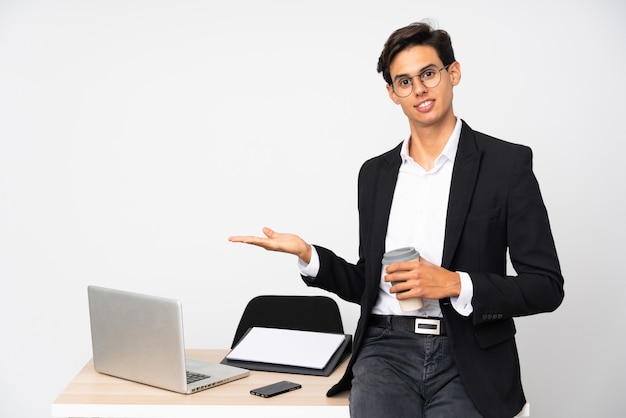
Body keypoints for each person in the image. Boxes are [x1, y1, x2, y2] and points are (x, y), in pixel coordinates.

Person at [229, 21, 564, 418]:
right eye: (404, 82)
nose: (419, 89)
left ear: (452, 73)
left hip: (470, 352)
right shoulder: (375, 174)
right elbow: (368, 282)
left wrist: (455, 283)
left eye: (428, 74)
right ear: (392, 94)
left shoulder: (506, 165)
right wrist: (309, 255)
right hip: (386, 350)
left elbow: (546, 287)